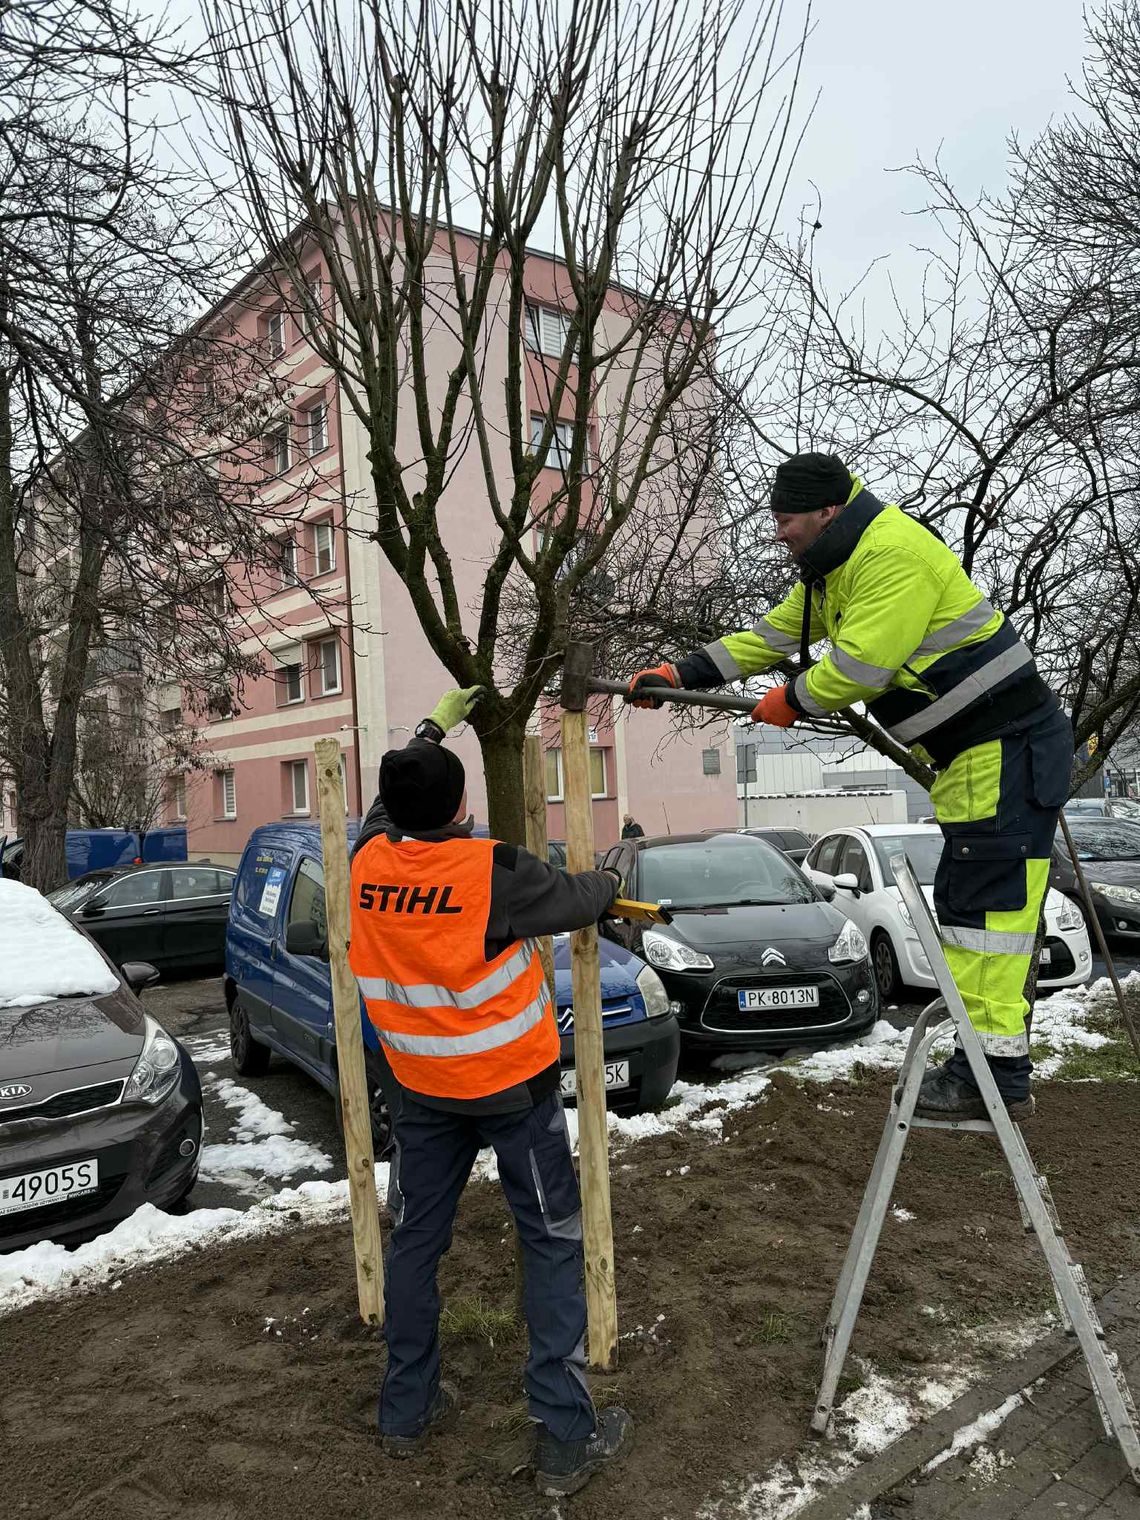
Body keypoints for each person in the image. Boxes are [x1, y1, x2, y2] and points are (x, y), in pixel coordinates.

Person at [627, 452, 1073, 1122]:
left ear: (827, 512)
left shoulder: (889, 554)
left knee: (989, 922)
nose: (779, 533)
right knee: (973, 913)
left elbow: (861, 668)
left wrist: (793, 701)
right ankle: (987, 1069)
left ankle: (995, 1080)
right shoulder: (835, 570)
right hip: (980, 757)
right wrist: (683, 671)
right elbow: (770, 635)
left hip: (1005, 750)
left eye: (787, 520)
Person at [348, 685, 633, 1497]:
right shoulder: (492, 872)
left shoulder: (368, 861)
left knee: (416, 1243)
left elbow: (382, 805)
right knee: (549, 1242)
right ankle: (565, 1441)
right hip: (513, 1090)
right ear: (462, 804)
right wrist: (611, 883)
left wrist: (428, 728)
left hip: (422, 1091)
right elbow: (579, 896)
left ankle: (405, 1412)